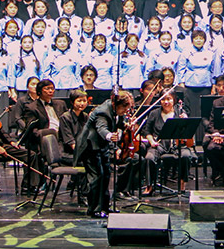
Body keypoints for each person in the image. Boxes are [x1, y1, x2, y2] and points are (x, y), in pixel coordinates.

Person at [75, 90, 134, 218]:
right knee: (96, 177)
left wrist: (126, 126)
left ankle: (105, 207)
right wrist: (110, 136)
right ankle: (94, 209)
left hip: (102, 147)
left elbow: (119, 122)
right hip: (90, 146)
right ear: (115, 104)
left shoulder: (116, 110)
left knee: (106, 175)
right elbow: (101, 128)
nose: (125, 110)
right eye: (124, 107)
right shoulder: (102, 111)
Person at [141, 90, 194, 194]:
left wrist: (186, 121)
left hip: (177, 145)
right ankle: (149, 185)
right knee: (149, 158)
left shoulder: (180, 113)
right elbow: (147, 131)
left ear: (173, 100)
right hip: (159, 145)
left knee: (186, 155)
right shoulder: (154, 113)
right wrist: (151, 141)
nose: (166, 102)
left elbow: (188, 133)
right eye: (163, 99)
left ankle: (182, 183)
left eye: (168, 99)